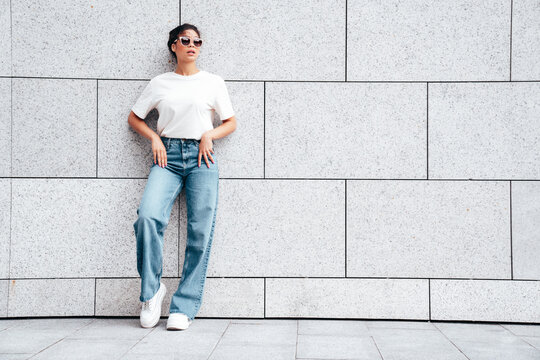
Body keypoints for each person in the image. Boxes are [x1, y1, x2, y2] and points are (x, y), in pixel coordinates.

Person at [128, 23, 237, 331]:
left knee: (200, 231)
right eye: (185, 40)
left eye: (197, 41)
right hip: (168, 157)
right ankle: (151, 292)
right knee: (147, 217)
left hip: (203, 158)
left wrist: (209, 134)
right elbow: (134, 117)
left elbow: (231, 122)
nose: (192, 45)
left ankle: (184, 306)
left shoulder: (213, 82)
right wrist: (154, 138)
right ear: (173, 46)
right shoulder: (160, 82)